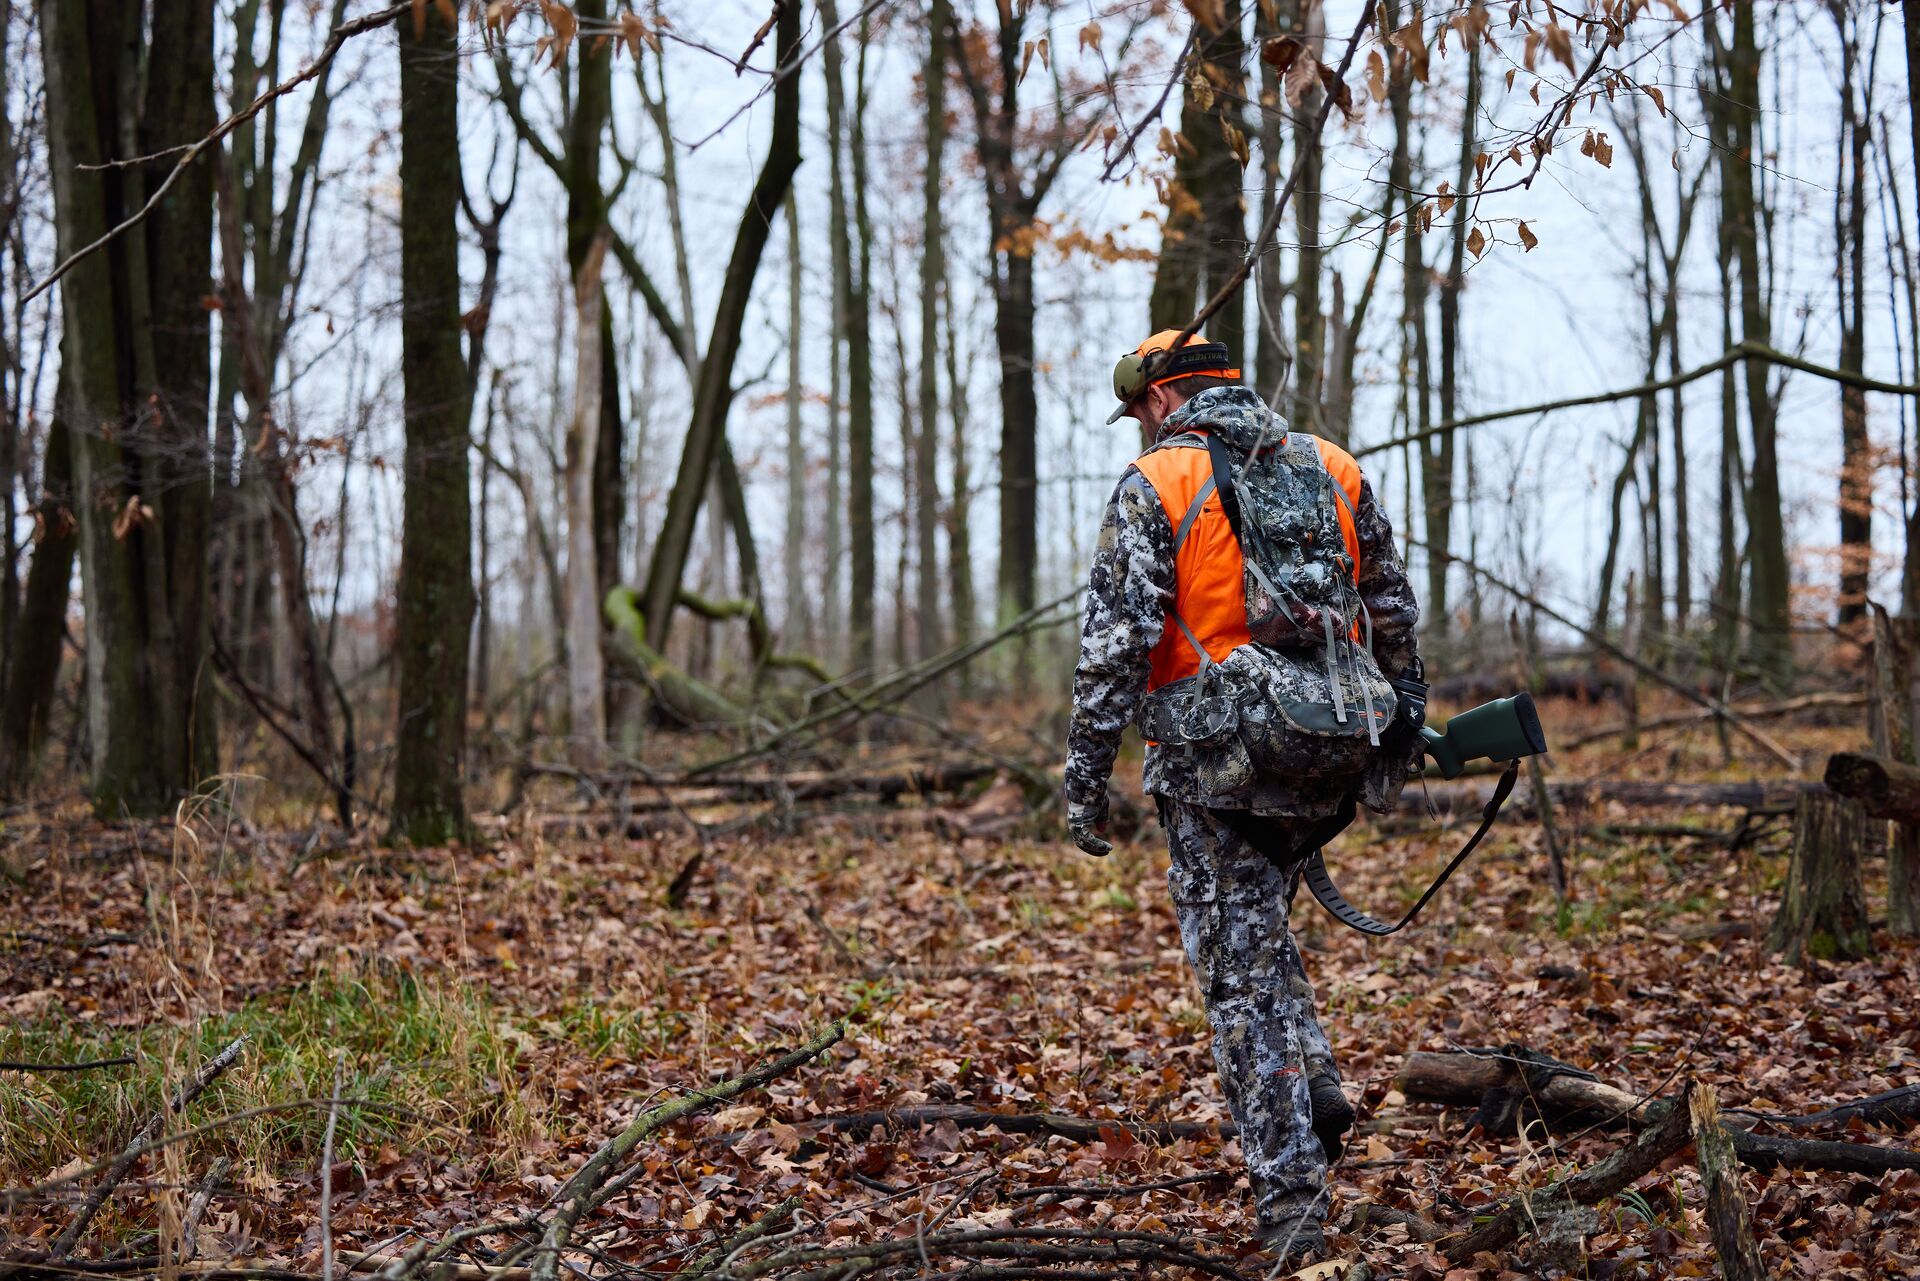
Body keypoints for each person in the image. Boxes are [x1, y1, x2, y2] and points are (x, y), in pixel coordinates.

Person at [1063, 330, 1421, 1263]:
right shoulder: (1333, 467)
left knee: (1236, 981)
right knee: (1259, 931)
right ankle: (1319, 1086)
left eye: (1140, 410)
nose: (1139, 426)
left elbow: (1113, 649)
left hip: (1213, 759)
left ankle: (1293, 1198)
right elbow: (1392, 608)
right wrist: (1403, 726)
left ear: (1161, 398)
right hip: (1328, 743)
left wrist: (1085, 779)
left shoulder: (1157, 483)